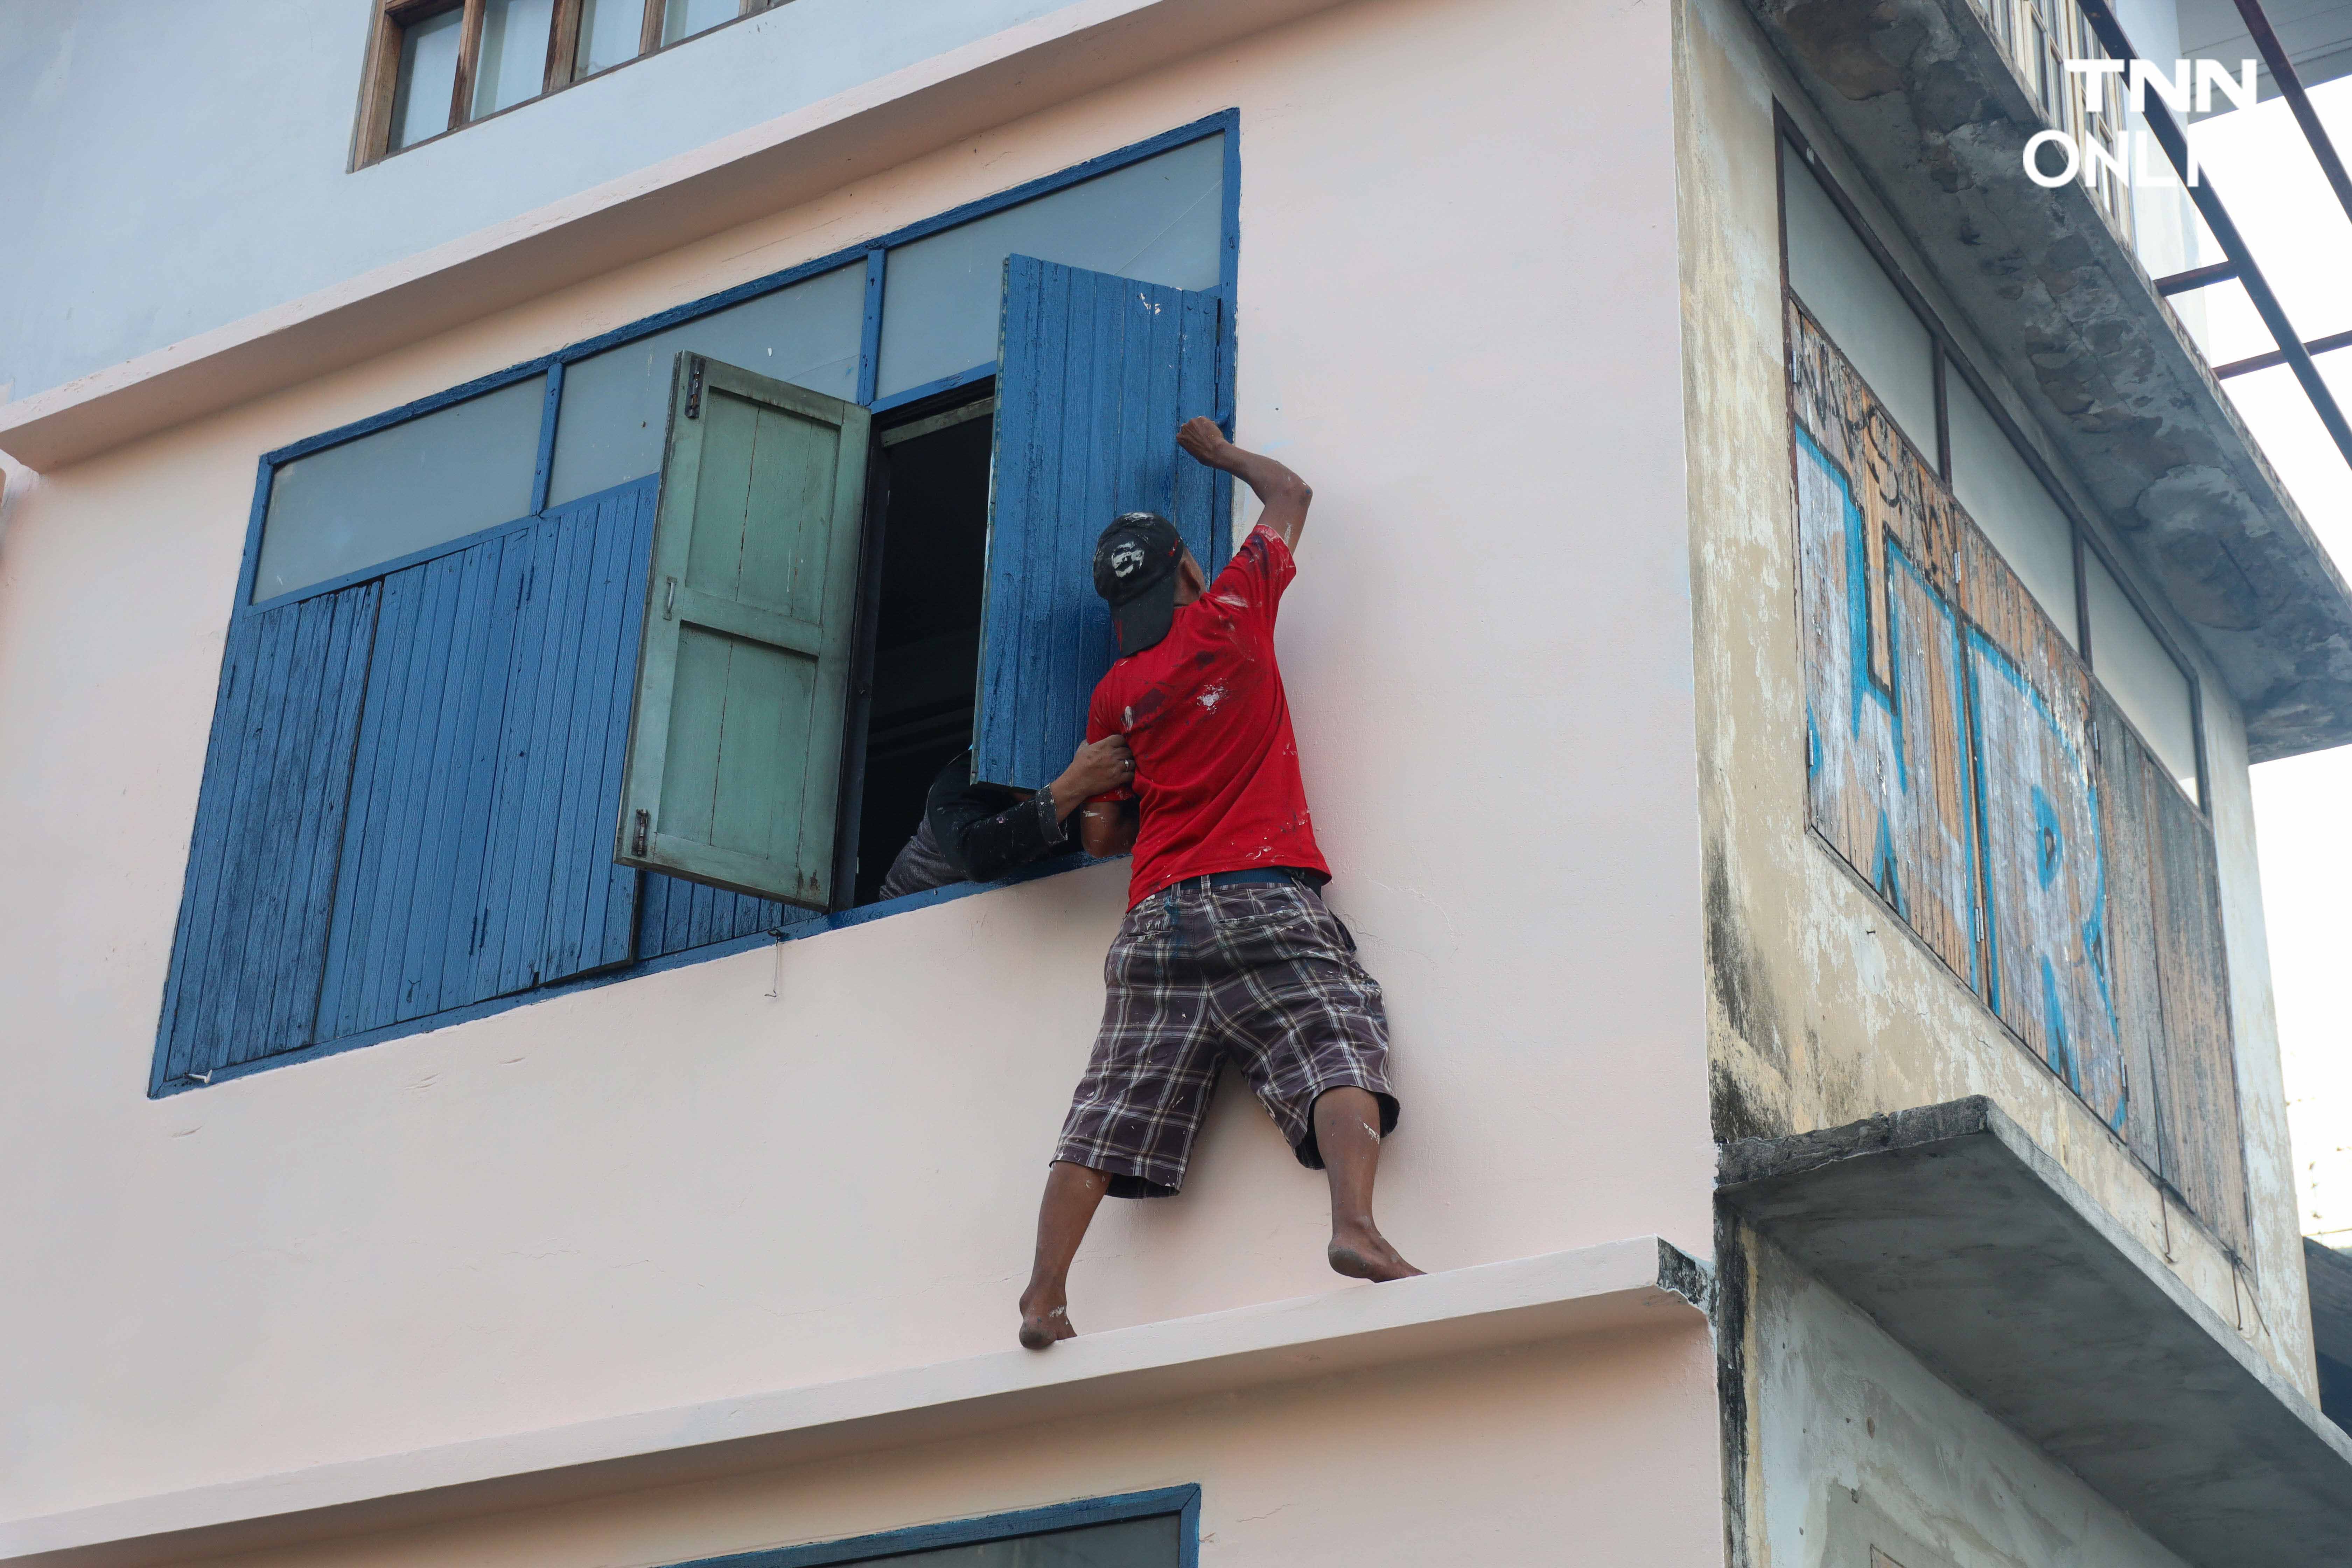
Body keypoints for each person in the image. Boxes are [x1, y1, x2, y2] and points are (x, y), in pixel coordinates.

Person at [1016, 416, 1420, 1351]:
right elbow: (1294, 498)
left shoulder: (1116, 691)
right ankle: (1355, 1228)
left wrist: (1095, 784)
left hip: (1157, 918)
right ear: (1190, 573)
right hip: (1264, 892)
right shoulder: (1235, 612)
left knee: (1108, 1106)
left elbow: (1105, 830)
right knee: (1336, 1034)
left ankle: (1044, 1296)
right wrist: (1220, 455)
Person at [876, 738, 1134, 900]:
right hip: (904, 916)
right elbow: (973, 855)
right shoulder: (960, 782)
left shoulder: (1092, 789)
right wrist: (1074, 785)